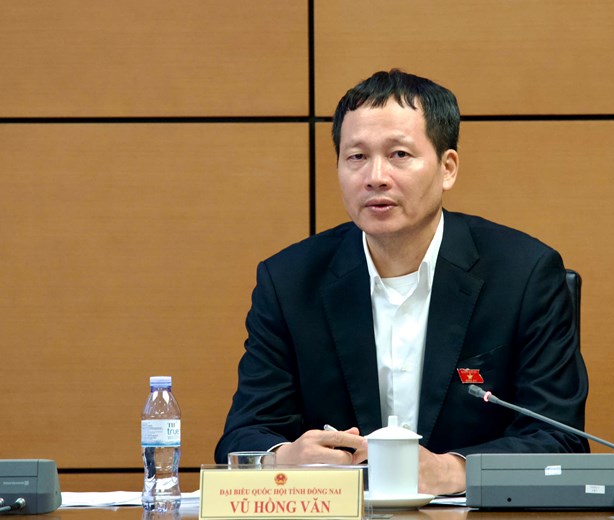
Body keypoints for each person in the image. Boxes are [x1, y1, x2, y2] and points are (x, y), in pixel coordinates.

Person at [215, 69, 589, 495]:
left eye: (399, 154)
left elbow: (560, 440)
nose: (375, 176)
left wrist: (450, 471)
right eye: (356, 157)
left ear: (447, 168)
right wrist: (285, 458)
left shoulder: (523, 275)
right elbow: (243, 436)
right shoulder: (289, 282)